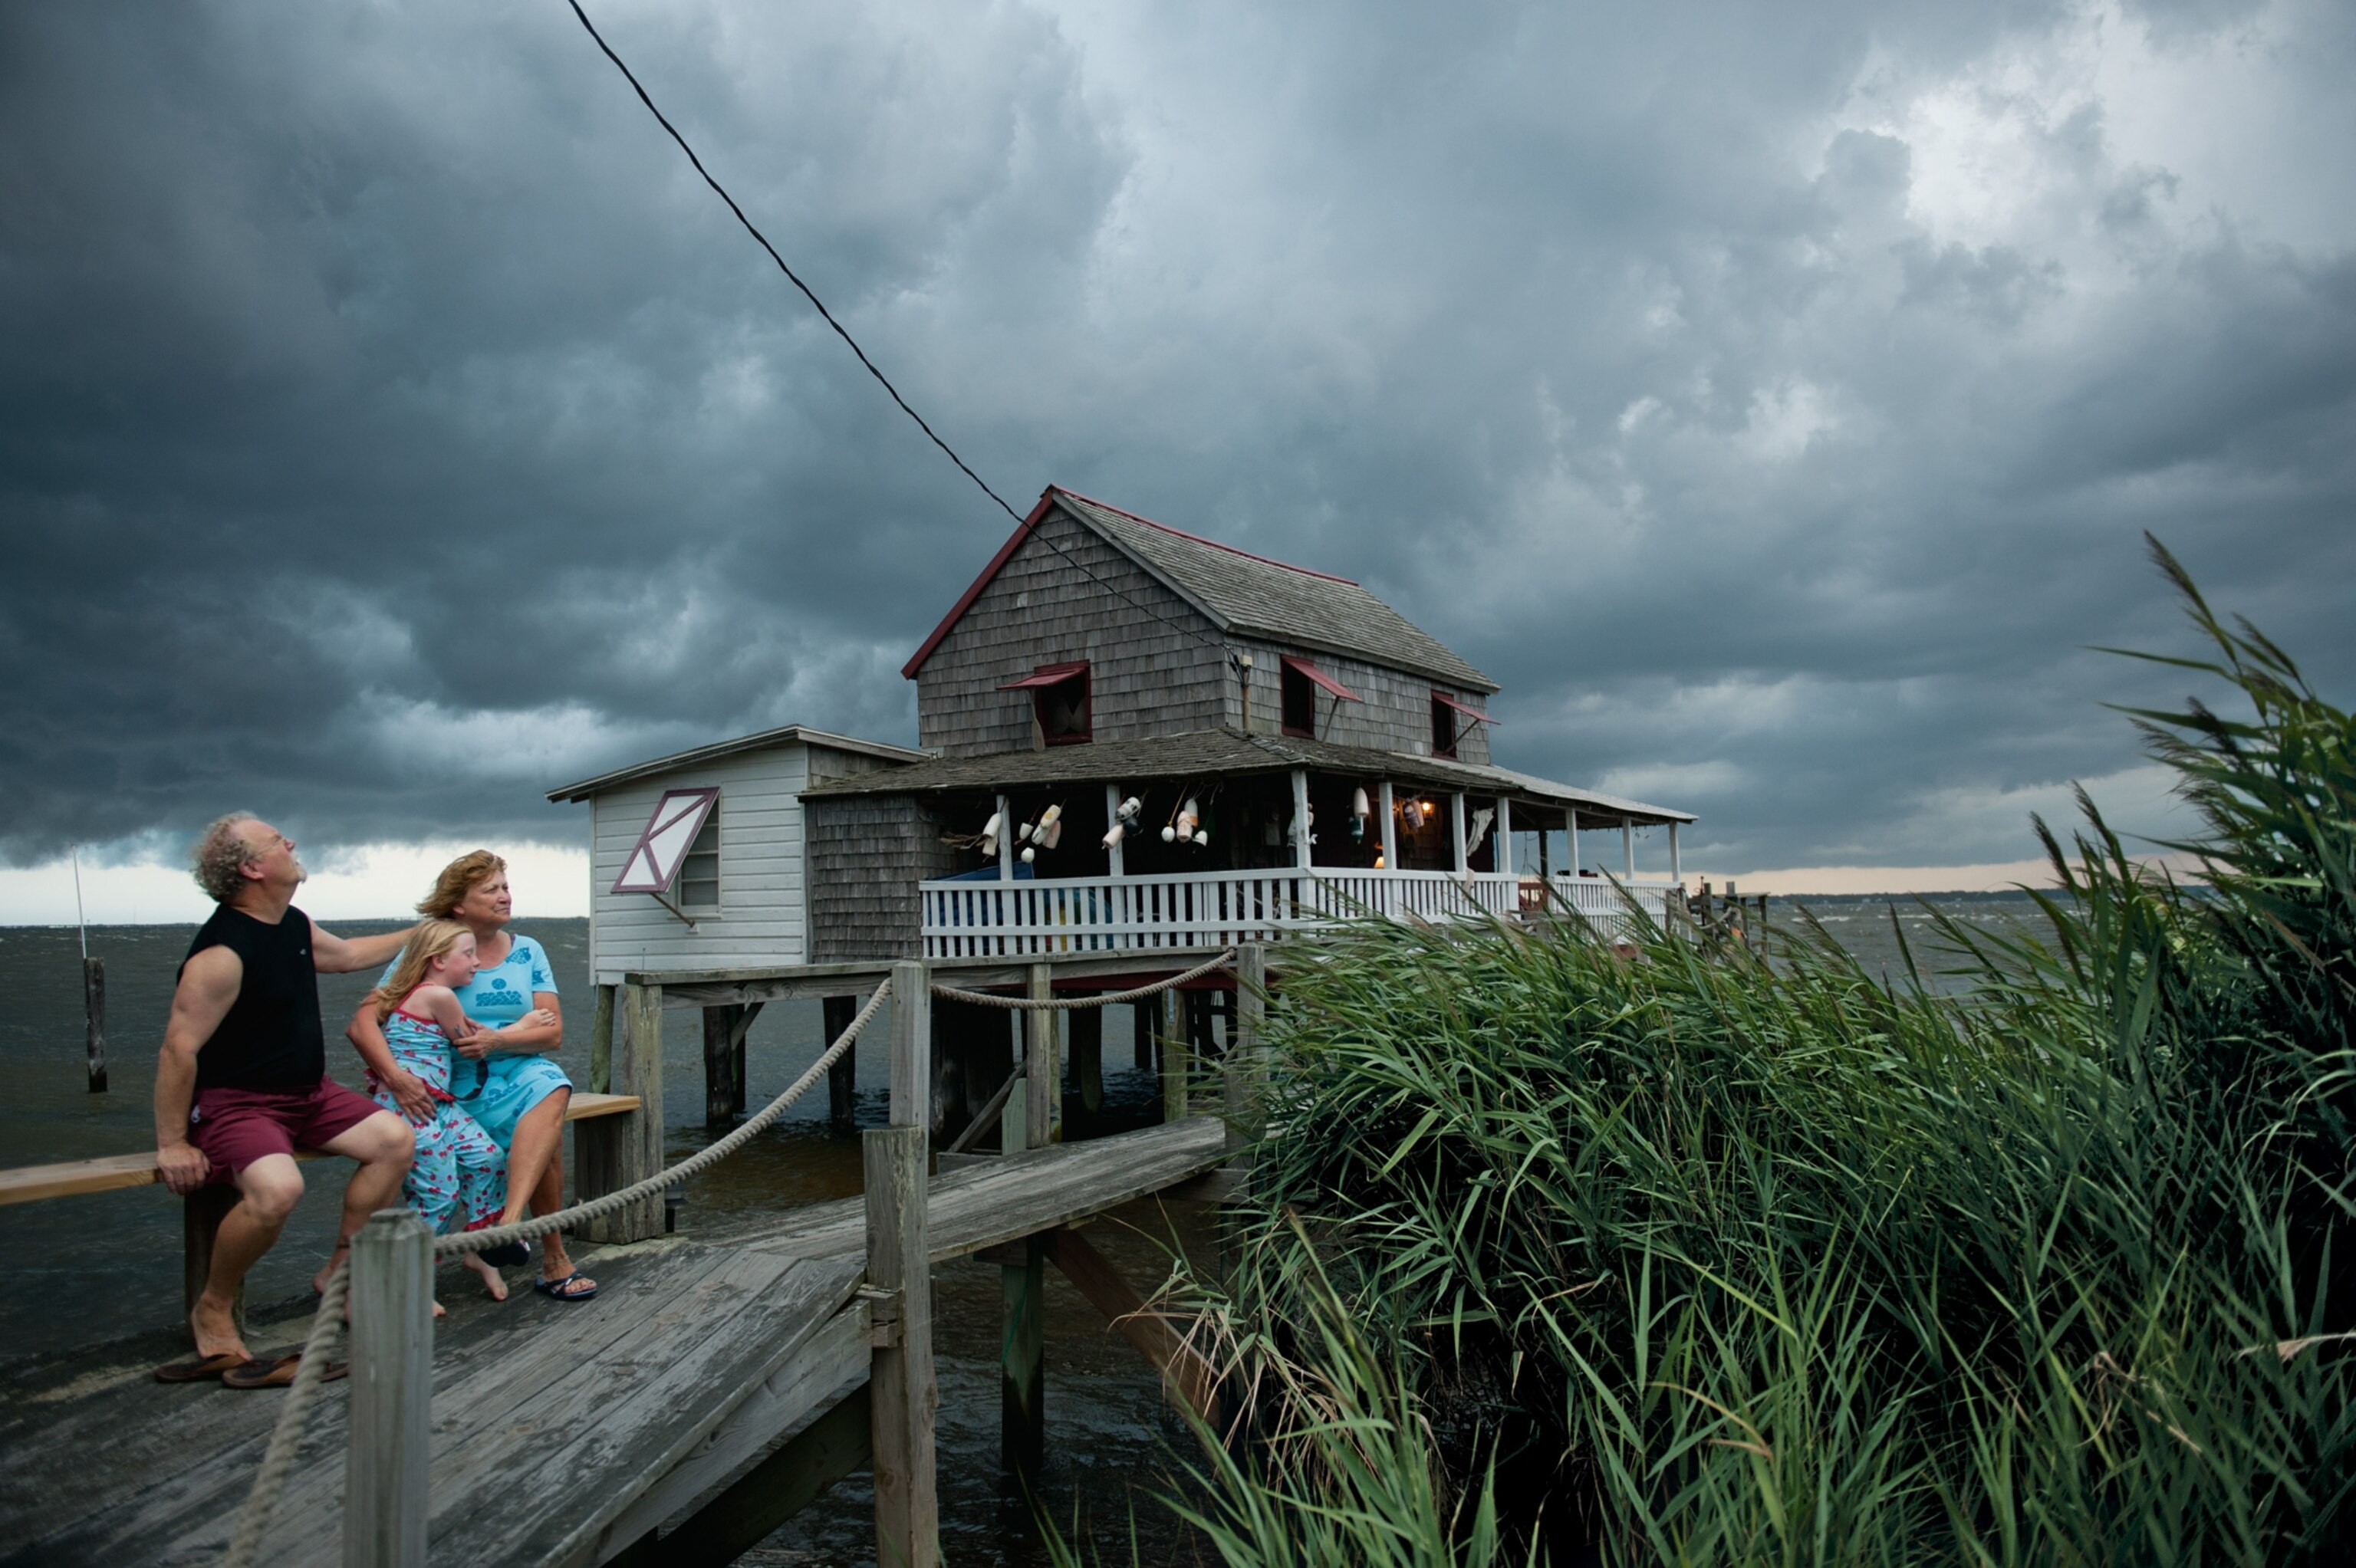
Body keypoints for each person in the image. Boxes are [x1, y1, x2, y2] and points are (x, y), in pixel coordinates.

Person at [153, 814, 419, 1387]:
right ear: (253, 868)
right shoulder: (221, 953)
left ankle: (338, 1271)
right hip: (238, 1105)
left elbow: (346, 954)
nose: (291, 841)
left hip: (308, 1095)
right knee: (279, 1189)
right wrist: (173, 1141)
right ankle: (214, 1307)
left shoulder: (291, 922)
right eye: (277, 840)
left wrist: (420, 933)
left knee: (396, 1140)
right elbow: (179, 1049)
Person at [349, 850, 597, 1302]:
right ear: (459, 904)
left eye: (506, 887)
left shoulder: (529, 951)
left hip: (518, 1067)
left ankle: (511, 1227)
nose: (505, 896)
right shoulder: (428, 952)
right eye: (492, 889)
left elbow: (553, 1031)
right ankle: (522, 1248)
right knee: (544, 1141)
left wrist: (498, 1042)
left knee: (552, 1086)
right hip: (450, 1083)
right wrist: (397, 1079)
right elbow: (366, 1022)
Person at [357, 919, 515, 1303]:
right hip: (411, 1107)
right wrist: (525, 1025)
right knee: (438, 1193)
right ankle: (408, 1278)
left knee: (486, 1156)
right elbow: (472, 1042)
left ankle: (479, 1247)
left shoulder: (420, 994)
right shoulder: (440, 997)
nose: (477, 962)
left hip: (437, 1104)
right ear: (438, 960)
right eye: (468, 954)